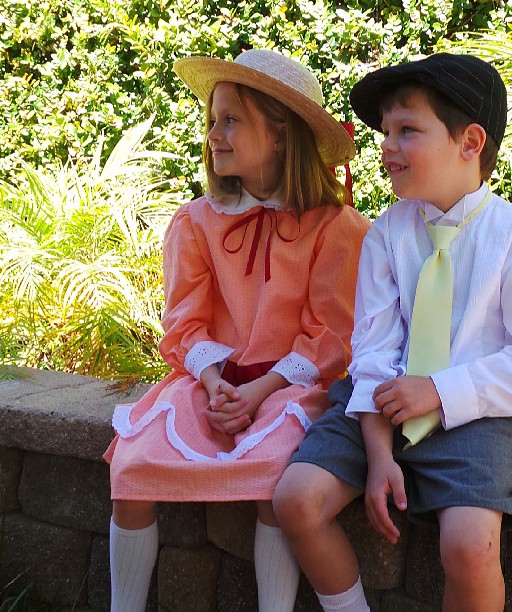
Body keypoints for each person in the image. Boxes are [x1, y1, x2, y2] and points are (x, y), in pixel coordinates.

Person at [273, 53, 512, 612]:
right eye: (386, 131)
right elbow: (374, 350)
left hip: (476, 417)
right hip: (380, 404)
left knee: (470, 547)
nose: (387, 145)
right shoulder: (388, 235)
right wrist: (378, 453)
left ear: (470, 142)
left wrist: (438, 391)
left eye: (407, 130)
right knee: (297, 499)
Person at [103, 48, 370, 612]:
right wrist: (212, 378)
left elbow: (330, 334)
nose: (213, 134)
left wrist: (260, 389)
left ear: (279, 134)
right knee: (130, 467)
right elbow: (184, 319)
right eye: (211, 120)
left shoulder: (337, 227)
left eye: (230, 120)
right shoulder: (196, 221)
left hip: (288, 386)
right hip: (211, 381)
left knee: (276, 474)